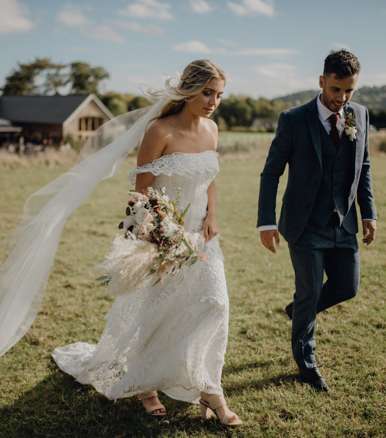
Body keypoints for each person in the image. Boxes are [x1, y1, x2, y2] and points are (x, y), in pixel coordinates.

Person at [52, 60, 242, 427]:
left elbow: (211, 179)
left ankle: (209, 389)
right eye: (207, 92)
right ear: (189, 90)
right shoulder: (160, 130)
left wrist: (213, 215)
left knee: (215, 304)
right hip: (166, 237)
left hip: (203, 238)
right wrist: (162, 235)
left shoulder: (213, 129)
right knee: (157, 312)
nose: (213, 101)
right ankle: (145, 386)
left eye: (219, 95)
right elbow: (142, 193)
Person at [257, 50, 377, 391]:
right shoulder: (293, 119)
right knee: (310, 292)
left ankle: (298, 310)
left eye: (349, 91)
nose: (342, 98)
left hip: (344, 222)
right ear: (322, 81)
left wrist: (368, 212)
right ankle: (307, 365)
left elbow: (363, 167)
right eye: (336, 89)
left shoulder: (360, 115)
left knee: (347, 287)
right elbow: (271, 173)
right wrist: (266, 222)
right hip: (304, 224)